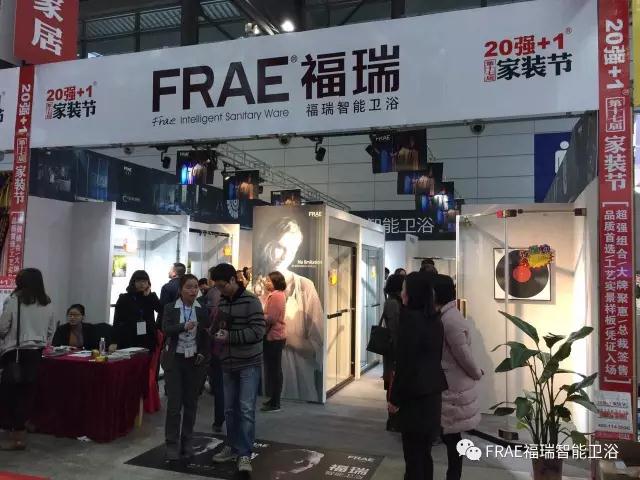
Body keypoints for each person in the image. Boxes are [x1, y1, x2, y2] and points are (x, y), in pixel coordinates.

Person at [253, 218, 324, 402]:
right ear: (268, 245)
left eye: (292, 250)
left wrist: (287, 338)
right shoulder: (252, 286)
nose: (285, 255)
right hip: (259, 367)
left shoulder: (305, 286)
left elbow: (317, 345)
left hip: (297, 379)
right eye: (280, 247)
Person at [389, 272, 448, 480]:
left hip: (414, 396)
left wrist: (394, 399)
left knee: (413, 455)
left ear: (412, 293)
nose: (402, 293)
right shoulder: (435, 319)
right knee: (424, 453)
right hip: (432, 393)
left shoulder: (409, 321)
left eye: (405, 289)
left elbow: (405, 364)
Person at [211, 263, 266, 474]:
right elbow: (220, 327)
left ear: (233, 280)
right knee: (229, 409)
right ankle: (232, 447)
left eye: (222, 286)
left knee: (246, 409)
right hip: (227, 363)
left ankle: (244, 453)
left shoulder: (251, 301)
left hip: (248, 364)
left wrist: (230, 337)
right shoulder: (223, 301)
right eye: (217, 287)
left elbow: (258, 331)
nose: (220, 290)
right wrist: (214, 333)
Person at [433, 274, 483, 480]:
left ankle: (453, 476)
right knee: (451, 437)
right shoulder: (448, 315)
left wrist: (476, 372)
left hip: (453, 387)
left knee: (452, 438)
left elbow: (463, 355)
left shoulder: (450, 319)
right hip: (452, 383)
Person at [0, 268, 55, 450]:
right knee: (27, 394)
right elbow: (51, 329)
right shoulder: (46, 302)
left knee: (11, 394)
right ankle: (21, 432)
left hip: (15, 352)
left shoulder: (14, 300)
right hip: (36, 352)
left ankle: (16, 437)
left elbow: (2, 327)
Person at [161, 274, 212, 462]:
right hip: (175, 359)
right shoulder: (170, 308)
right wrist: (183, 326)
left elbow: (206, 335)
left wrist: (203, 353)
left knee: (191, 403)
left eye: (195, 287)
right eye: (188, 287)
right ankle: (171, 443)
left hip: (194, 361)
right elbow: (165, 329)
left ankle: (187, 441)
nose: (193, 291)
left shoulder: (202, 309)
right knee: (174, 405)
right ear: (180, 290)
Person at [113, 270, 161, 352]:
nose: (142, 284)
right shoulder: (124, 298)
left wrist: (149, 296)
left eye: (144, 281)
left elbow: (160, 309)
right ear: (133, 282)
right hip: (129, 337)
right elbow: (117, 320)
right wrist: (114, 341)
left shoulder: (151, 296)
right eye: (138, 281)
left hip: (147, 337)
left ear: (148, 283)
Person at [261, 271, 287, 412]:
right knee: (273, 369)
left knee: (274, 370)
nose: (266, 283)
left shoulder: (276, 296)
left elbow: (271, 318)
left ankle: (275, 402)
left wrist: (259, 315)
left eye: (269, 281)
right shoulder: (277, 295)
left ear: (276, 282)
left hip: (274, 337)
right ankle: (273, 400)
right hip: (275, 336)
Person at [381, 273, 403, 431]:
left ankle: (394, 419)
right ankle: (393, 420)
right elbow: (395, 329)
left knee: (392, 384)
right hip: (394, 350)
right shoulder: (393, 303)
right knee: (392, 385)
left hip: (392, 350)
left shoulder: (392, 301)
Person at [206, 266, 225, 433]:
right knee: (221, 388)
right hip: (218, 351)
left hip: (222, 350)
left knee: (221, 388)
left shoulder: (215, 294)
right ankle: (220, 420)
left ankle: (220, 420)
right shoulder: (215, 294)